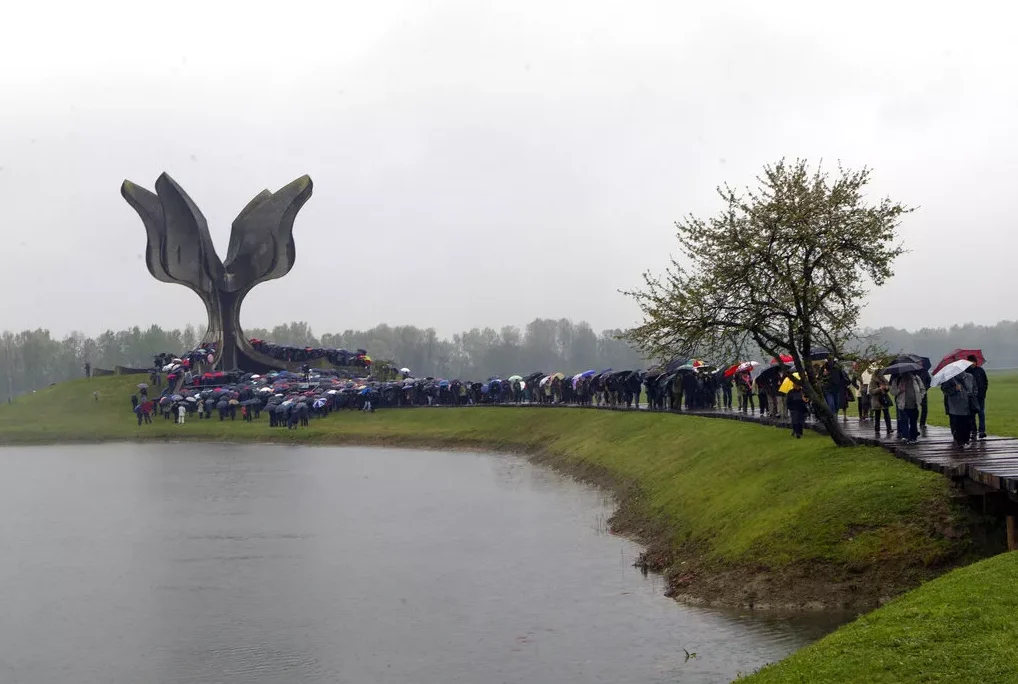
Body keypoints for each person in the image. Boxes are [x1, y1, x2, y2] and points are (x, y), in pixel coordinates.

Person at [942, 372, 976, 448]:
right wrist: (955, 389)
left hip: (968, 404)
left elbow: (974, 387)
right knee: (959, 424)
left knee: (968, 423)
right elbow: (945, 390)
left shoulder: (970, 376)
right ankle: (960, 441)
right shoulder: (950, 378)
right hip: (956, 406)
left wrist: (973, 395)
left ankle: (966, 439)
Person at [891, 372, 925, 444]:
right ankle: (905, 437)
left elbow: (922, 389)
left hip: (914, 405)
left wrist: (920, 397)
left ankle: (913, 438)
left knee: (913, 422)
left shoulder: (916, 378)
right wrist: (900, 390)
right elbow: (892, 392)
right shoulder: (897, 380)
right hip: (903, 405)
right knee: (904, 421)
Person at [965, 355, 989, 440]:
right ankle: (973, 431)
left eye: (973, 361)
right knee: (972, 415)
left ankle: (982, 431)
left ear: (976, 362)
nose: (972, 363)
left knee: (981, 414)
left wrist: (983, 392)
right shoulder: (966, 372)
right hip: (971, 397)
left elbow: (985, 382)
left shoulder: (980, 370)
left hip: (980, 396)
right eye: (970, 361)